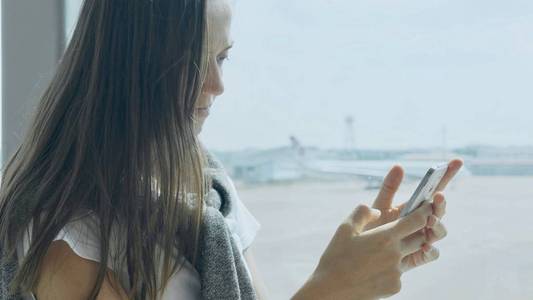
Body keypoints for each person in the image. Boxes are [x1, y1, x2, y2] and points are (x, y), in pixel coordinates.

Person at [0, 0, 463, 299]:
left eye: (222, 58)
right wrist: (333, 286)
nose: (218, 85)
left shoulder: (208, 186)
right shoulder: (70, 236)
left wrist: (355, 272)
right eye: (192, 62)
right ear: (132, 67)